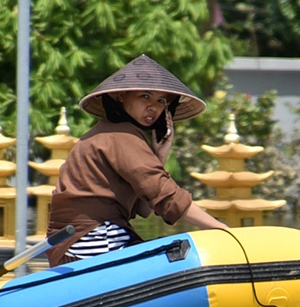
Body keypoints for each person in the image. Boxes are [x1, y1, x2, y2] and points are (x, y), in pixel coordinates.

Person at [46, 54, 226, 266]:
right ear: (122, 96)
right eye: (145, 96)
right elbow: (166, 195)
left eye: (161, 101)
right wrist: (221, 229)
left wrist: (159, 158)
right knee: (181, 260)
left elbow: (144, 208)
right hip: (90, 238)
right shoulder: (121, 135)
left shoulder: (114, 132)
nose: (153, 107)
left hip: (78, 241)